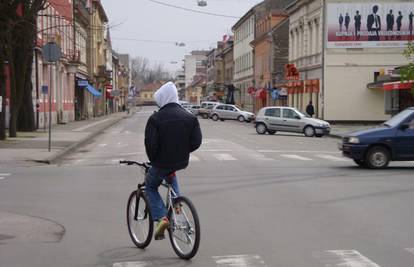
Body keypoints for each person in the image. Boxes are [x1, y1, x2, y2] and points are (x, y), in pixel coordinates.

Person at [144, 81, 202, 240]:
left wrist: (154, 160)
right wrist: (183, 151)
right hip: (181, 161)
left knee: (150, 187)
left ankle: (162, 219)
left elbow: (150, 144)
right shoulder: (190, 117)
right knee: (171, 172)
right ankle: (177, 204)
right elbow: (196, 141)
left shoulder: (155, 118)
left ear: (162, 99)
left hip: (161, 163)